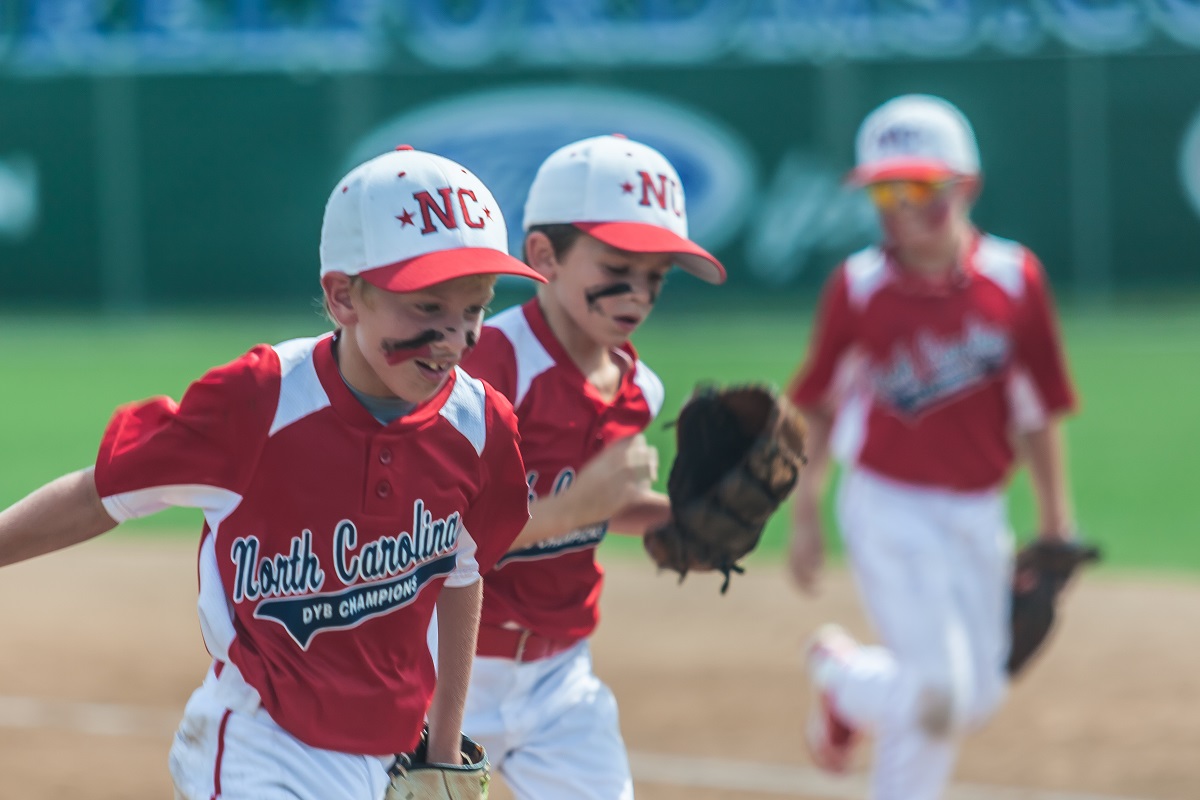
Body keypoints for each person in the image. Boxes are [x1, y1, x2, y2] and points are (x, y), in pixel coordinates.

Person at [0, 145, 546, 800]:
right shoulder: (260, 403)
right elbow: (103, 492)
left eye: (475, 308)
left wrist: (444, 741)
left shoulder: (479, 426)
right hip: (260, 746)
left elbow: (463, 571)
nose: (454, 339)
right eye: (427, 308)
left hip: (388, 755)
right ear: (345, 296)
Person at [786, 94, 1080, 799]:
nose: (900, 207)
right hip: (890, 505)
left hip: (979, 511)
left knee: (978, 696)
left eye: (919, 187)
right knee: (942, 694)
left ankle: (845, 681)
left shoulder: (1014, 279)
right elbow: (820, 401)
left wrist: (1055, 521)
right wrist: (806, 508)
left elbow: (1038, 411)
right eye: (884, 190)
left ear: (966, 187)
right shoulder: (858, 287)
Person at [455, 133, 726, 799]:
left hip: (559, 681)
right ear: (543, 255)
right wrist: (579, 504)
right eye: (617, 267)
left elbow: (604, 505)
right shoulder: (486, 368)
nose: (638, 293)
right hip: (447, 674)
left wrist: (687, 519)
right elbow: (432, 534)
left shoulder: (642, 389)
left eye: (656, 276)